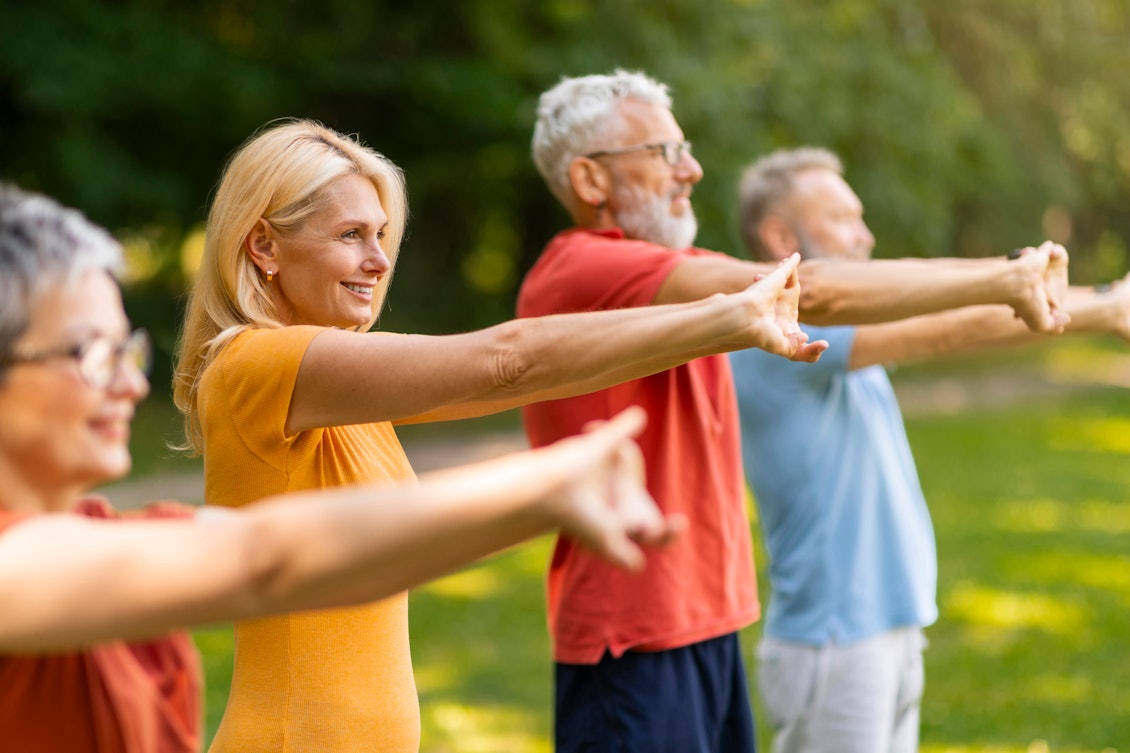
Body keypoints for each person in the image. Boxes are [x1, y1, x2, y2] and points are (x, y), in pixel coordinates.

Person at [170, 118, 830, 753]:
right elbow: (503, 362)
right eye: (350, 235)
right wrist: (726, 318)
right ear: (263, 246)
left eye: (381, 235)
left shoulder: (333, 396)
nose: (377, 260)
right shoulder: (256, 364)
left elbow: (526, 385)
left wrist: (561, 494)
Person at [0, 183, 693, 752]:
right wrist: (545, 485)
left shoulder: (101, 532)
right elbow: (263, 556)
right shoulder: (15, 567)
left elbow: (345, 555)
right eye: (90, 354)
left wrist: (545, 498)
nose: (128, 385)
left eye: (129, 352)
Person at [518, 69, 1071, 753]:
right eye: (664, 152)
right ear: (591, 181)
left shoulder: (667, 274)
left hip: (704, 622)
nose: (691, 169)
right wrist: (1002, 276)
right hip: (634, 633)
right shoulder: (587, 266)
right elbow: (817, 294)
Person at [729, 146, 1130, 753]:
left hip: (886, 624)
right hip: (835, 638)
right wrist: (1108, 308)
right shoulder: (782, 332)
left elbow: (934, 293)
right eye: (841, 218)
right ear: (781, 233)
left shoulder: (838, 330)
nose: (863, 236)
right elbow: (950, 327)